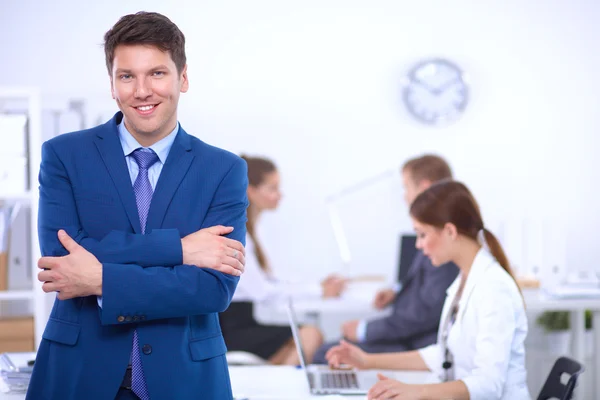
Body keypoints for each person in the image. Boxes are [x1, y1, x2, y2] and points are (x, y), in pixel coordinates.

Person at [26, 12, 248, 400]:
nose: (142, 90)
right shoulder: (64, 155)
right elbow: (62, 258)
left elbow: (212, 288)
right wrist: (180, 249)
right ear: (112, 84)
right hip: (78, 377)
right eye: (127, 76)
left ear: (183, 78)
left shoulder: (224, 170)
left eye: (157, 73)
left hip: (184, 382)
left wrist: (100, 279)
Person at [326, 181, 530, 400]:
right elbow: (443, 355)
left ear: (450, 231)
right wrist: (367, 361)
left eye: (422, 235)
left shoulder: (493, 288)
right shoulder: (465, 279)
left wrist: (417, 392)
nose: (418, 245)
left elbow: (489, 385)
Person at [313, 154, 458, 363]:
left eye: (406, 187)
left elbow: (426, 312)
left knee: (326, 353)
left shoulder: (443, 235)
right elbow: (432, 289)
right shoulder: (437, 228)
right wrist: (397, 291)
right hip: (411, 335)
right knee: (330, 350)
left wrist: (364, 330)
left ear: (425, 186)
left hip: (418, 344)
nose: (404, 196)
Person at [220, 155, 344, 365]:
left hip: (242, 323)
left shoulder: (249, 232)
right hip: (231, 329)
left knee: (302, 338)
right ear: (250, 190)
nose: (279, 195)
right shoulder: (237, 236)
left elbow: (270, 282)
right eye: (272, 188)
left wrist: (317, 286)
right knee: (309, 335)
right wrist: (319, 291)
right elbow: (263, 293)